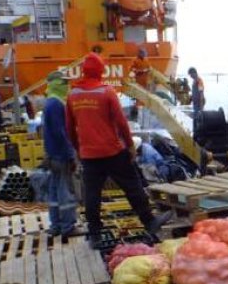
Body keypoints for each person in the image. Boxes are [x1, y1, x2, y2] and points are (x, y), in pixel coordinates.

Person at [66, 52, 171, 243]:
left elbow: (69, 128)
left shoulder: (73, 95)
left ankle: (95, 234)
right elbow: (122, 123)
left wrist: (79, 150)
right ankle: (149, 221)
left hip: (89, 155)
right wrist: (130, 145)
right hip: (112, 151)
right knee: (132, 186)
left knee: (92, 194)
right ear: (100, 71)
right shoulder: (106, 92)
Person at [42, 71, 79, 241]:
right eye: (65, 83)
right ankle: (68, 226)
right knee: (66, 192)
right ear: (58, 84)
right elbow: (61, 133)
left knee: (55, 191)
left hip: (52, 155)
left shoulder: (49, 103)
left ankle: (55, 225)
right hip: (61, 156)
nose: (68, 86)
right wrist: (71, 155)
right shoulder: (57, 105)